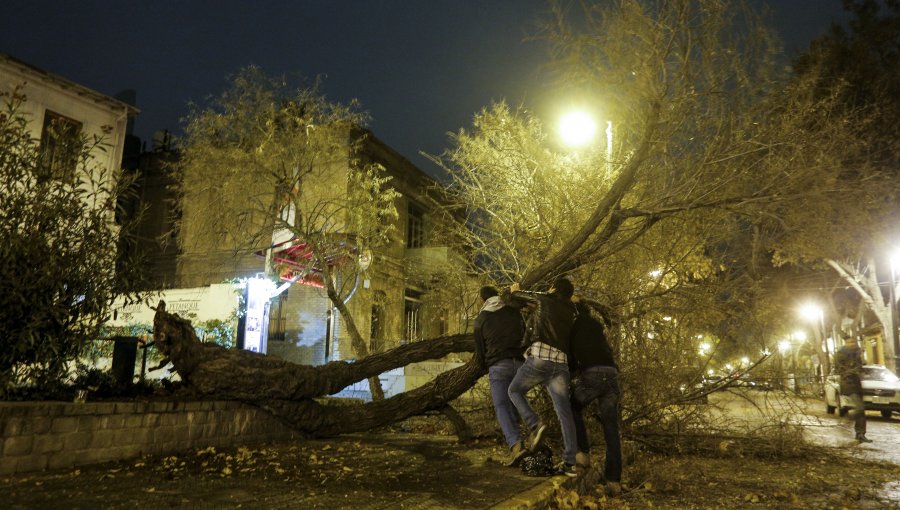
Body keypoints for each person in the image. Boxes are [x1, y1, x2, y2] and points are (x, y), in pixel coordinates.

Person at [506, 277, 579, 477]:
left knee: (514, 390)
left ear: (553, 288)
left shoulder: (545, 299)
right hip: (561, 364)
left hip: (540, 358)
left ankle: (535, 424)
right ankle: (570, 463)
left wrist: (515, 290)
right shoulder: (572, 312)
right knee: (565, 413)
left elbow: (524, 296)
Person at [473, 285, 535, 467]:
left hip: (499, 365)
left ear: (482, 300)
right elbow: (525, 335)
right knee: (516, 399)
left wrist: (487, 364)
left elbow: (480, 353)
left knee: (501, 406)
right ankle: (533, 430)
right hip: (520, 363)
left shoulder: (481, 319)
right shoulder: (513, 311)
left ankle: (516, 446)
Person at [568, 300, 622, 495]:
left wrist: (571, 373)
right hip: (611, 373)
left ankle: (582, 453)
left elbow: (571, 357)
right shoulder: (596, 325)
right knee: (611, 428)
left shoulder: (573, 326)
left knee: (572, 406)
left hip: (592, 374)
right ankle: (613, 480)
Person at [834, 335, 871, 443]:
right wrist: (849, 371)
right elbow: (839, 369)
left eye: (854, 342)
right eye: (850, 342)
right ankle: (848, 416)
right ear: (846, 343)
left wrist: (863, 370)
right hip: (848, 384)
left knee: (862, 410)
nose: (853, 344)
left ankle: (860, 434)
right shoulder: (841, 354)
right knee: (859, 408)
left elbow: (859, 367)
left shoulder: (856, 354)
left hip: (857, 384)